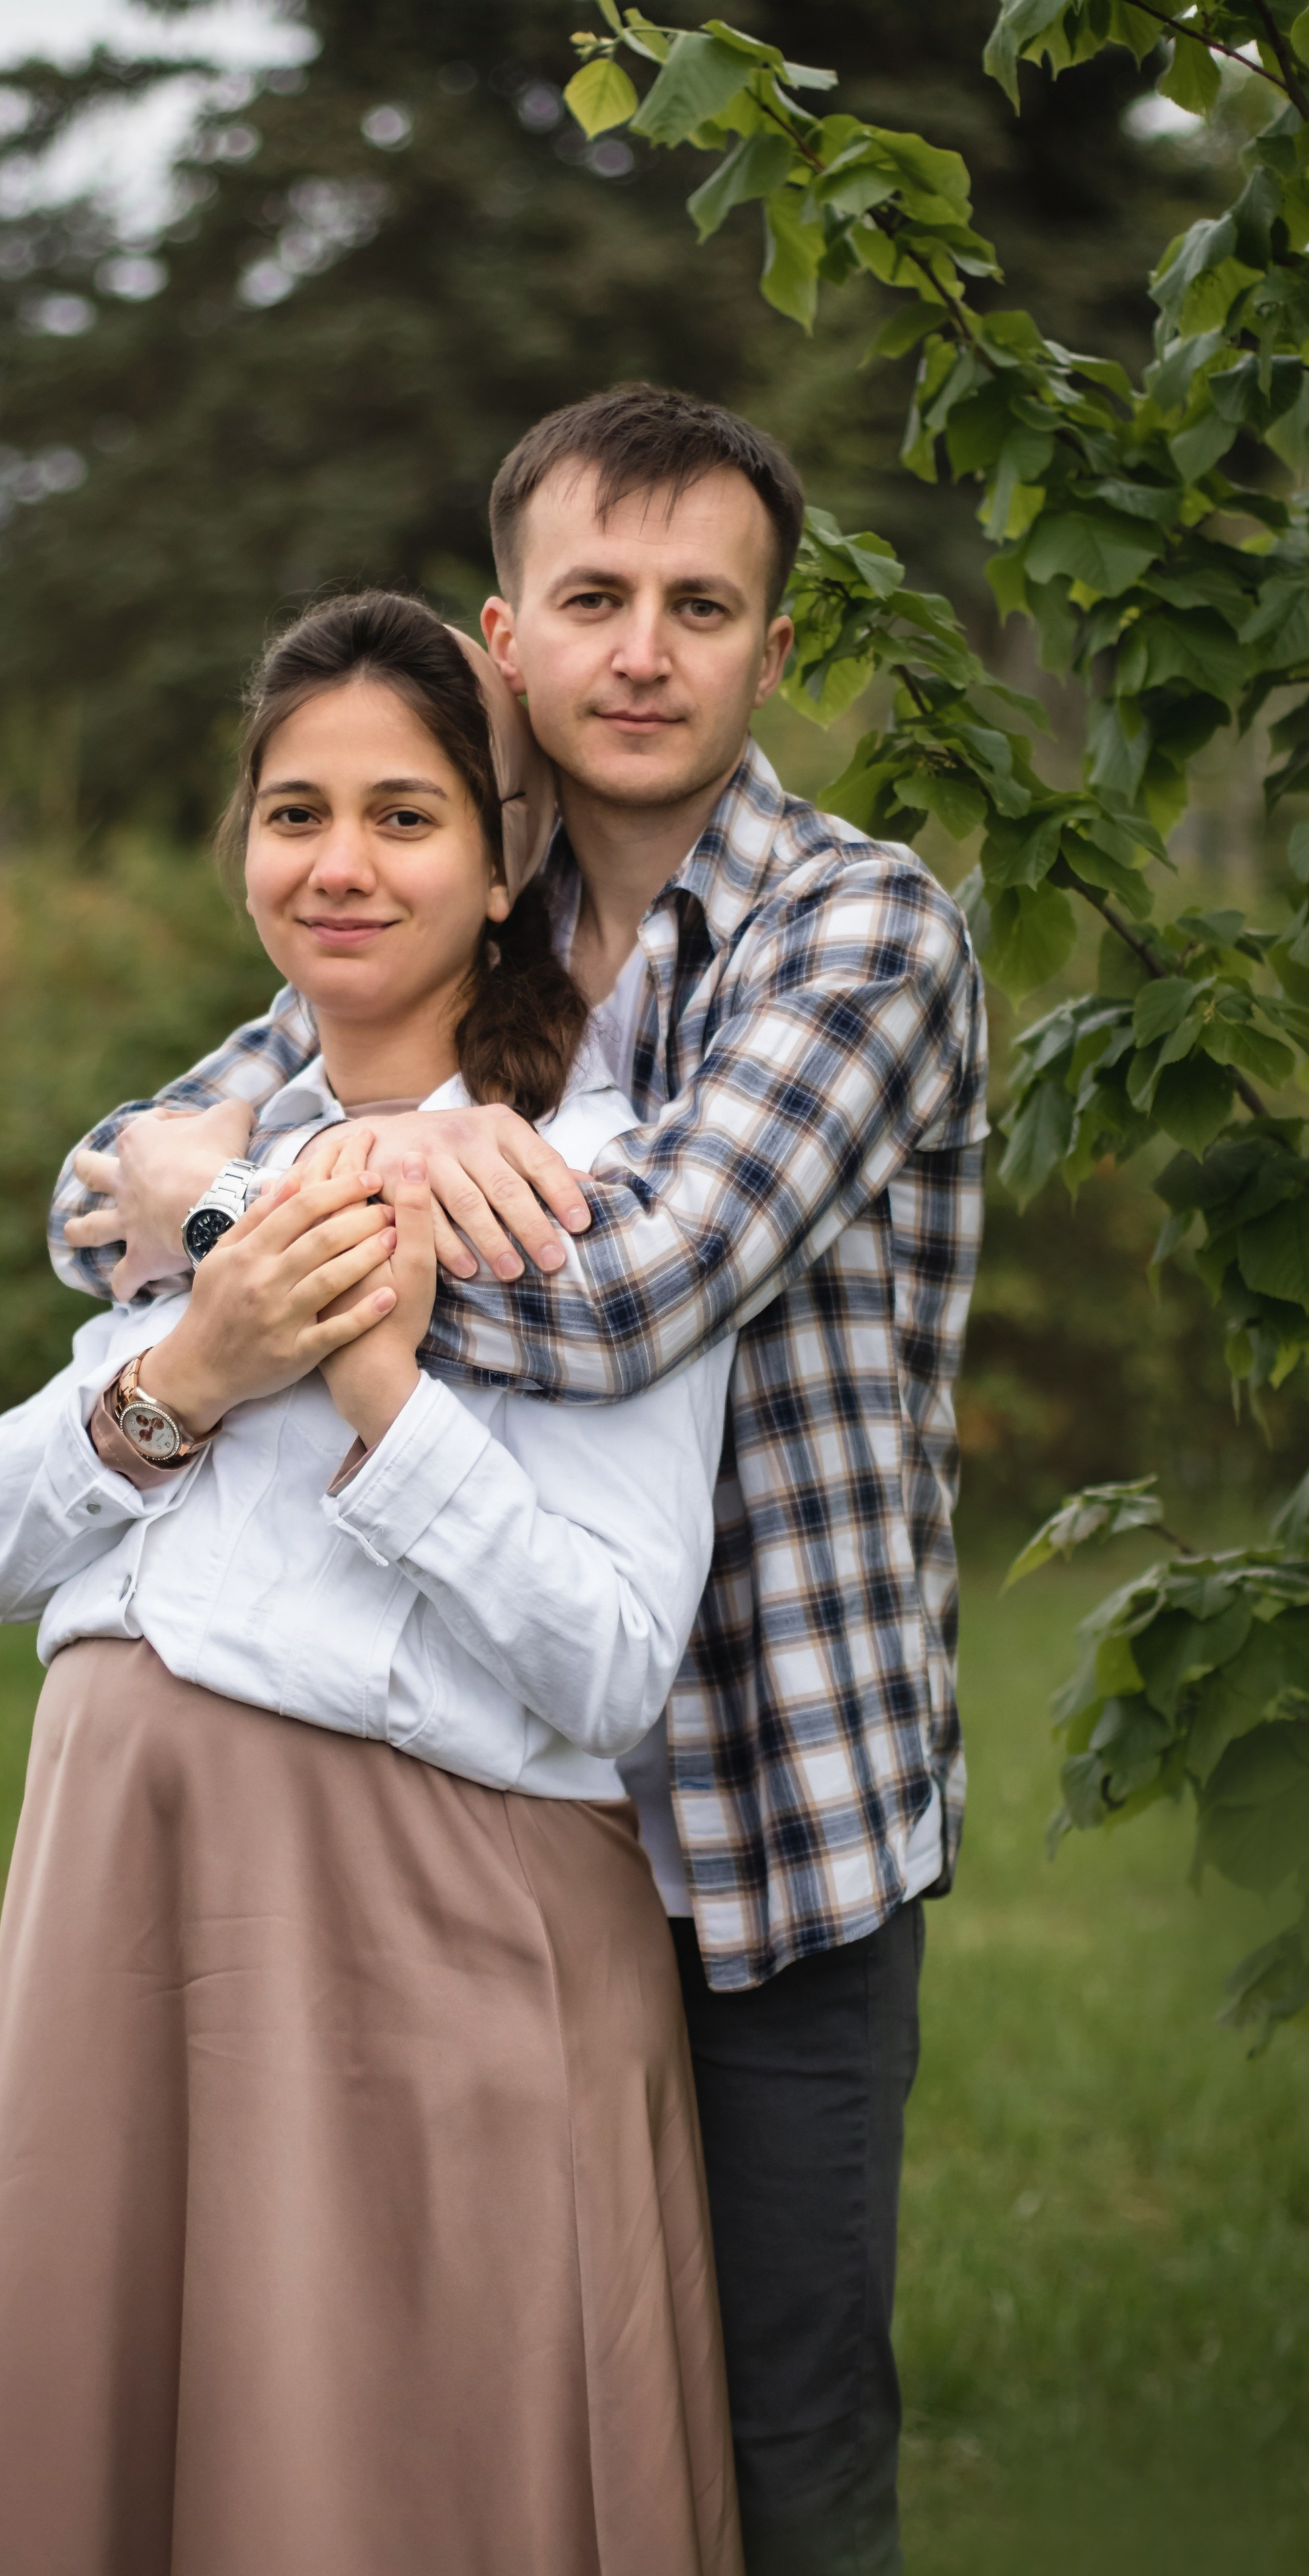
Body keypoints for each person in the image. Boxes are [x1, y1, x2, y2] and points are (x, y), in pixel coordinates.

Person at [50, 384, 989, 2576]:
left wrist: (249, 1232)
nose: (642, 650)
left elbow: (629, 1297)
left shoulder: (860, 941)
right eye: (594, 599)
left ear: (771, 647)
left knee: (779, 2448)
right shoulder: (470, 895)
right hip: (470, 1802)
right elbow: (92, 1186)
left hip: (767, 1823)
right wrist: (258, 1192)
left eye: (700, 604)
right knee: (466, 2402)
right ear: (510, 634)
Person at [0, 591, 744, 2576]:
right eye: (295, 813)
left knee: (376, 2478)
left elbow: (612, 1657)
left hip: (412, 1921)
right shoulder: (194, 1154)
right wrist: (191, 1371)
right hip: (122, 1888)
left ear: (498, 864)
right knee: (133, 2456)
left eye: (403, 815)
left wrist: (367, 1374)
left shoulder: (586, 1181)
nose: (339, 865)